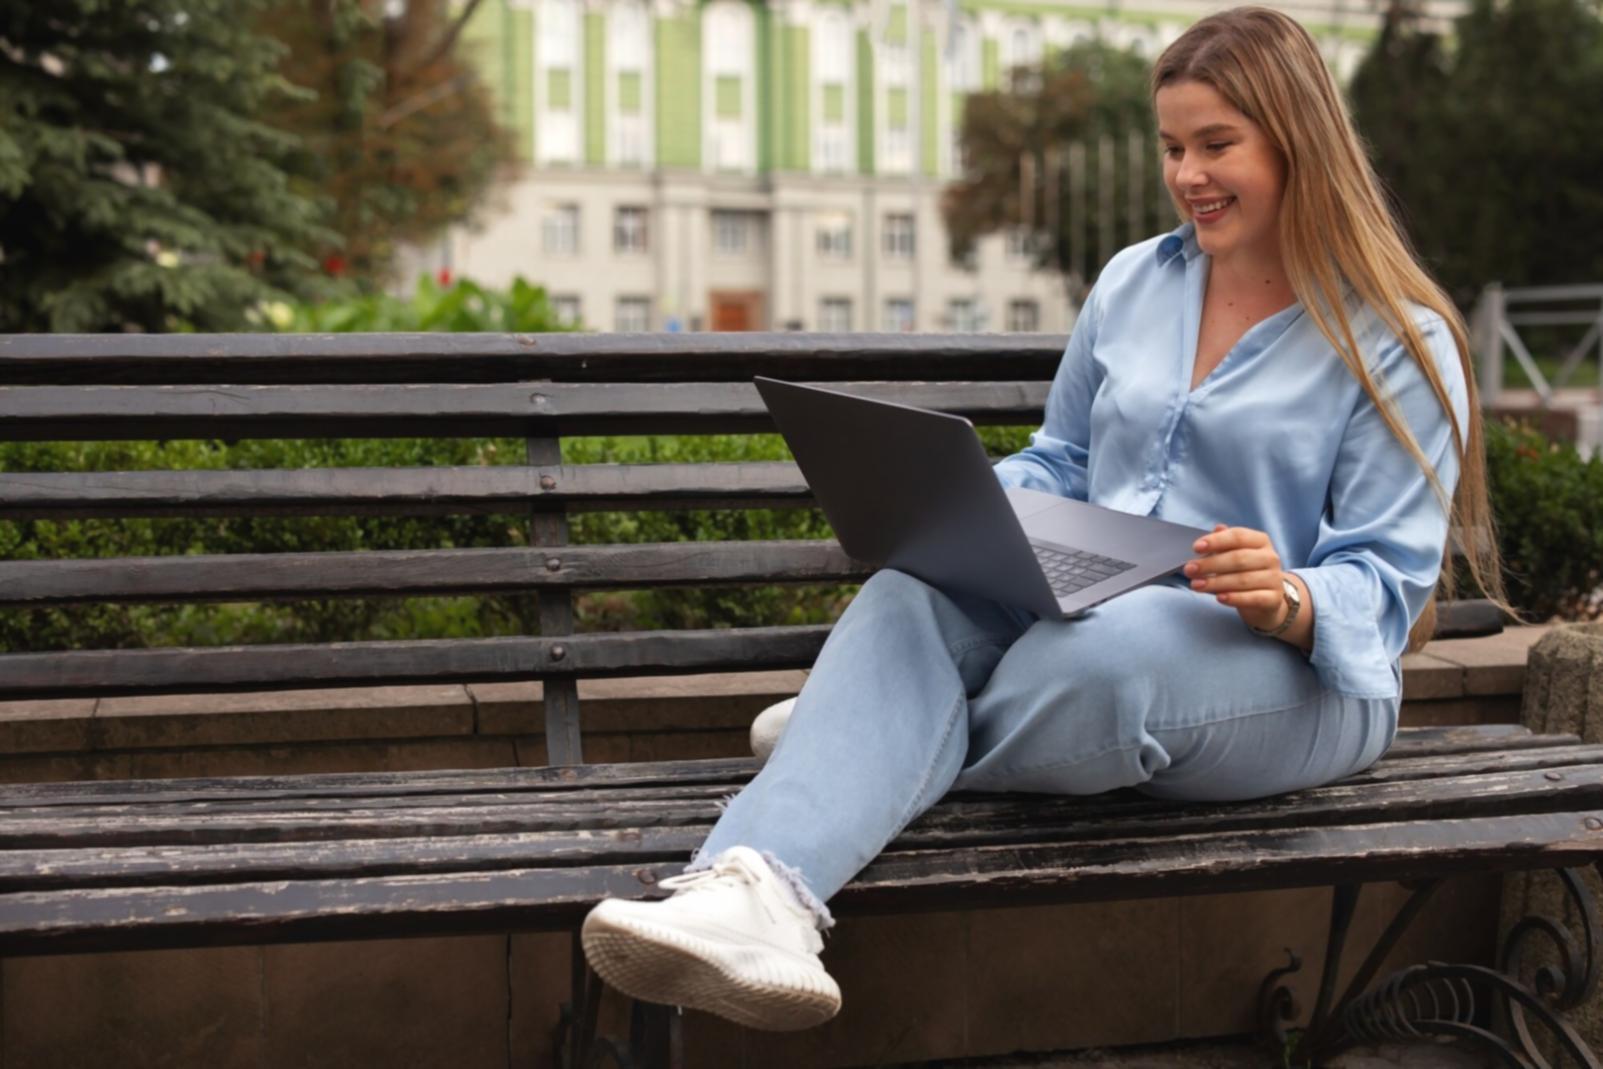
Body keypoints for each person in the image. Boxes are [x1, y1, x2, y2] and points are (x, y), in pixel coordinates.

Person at [579, 4, 1509, 1032]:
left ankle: (855, 742)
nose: (1187, 173)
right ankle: (754, 897)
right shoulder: (1134, 283)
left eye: (1215, 145)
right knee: (908, 595)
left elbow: (1383, 589)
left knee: (1108, 663)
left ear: (1297, 142)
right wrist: (979, 506)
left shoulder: (1397, 338)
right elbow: (1065, 460)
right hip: (1095, 597)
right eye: (1170, 147)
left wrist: (1285, 592)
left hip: (1295, 673)